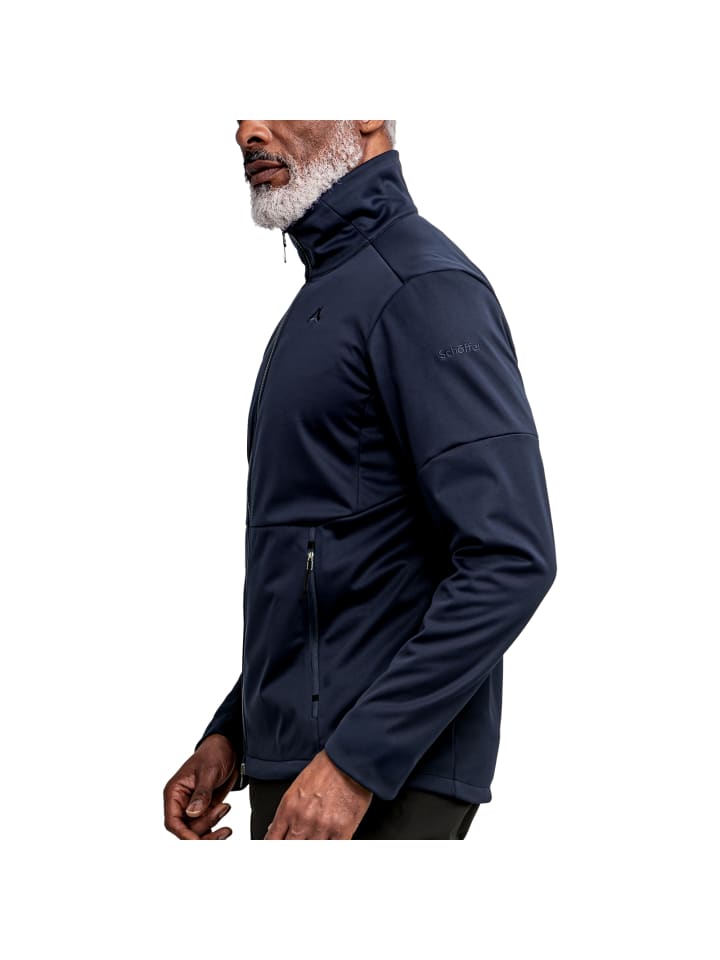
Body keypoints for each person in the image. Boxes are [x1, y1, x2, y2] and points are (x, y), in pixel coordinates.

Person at [163, 121, 557, 841]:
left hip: (381, 786)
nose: (247, 130)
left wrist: (356, 763)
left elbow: (511, 559)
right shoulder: (328, 300)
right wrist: (235, 732)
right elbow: (321, 573)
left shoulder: (422, 288)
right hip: (305, 770)